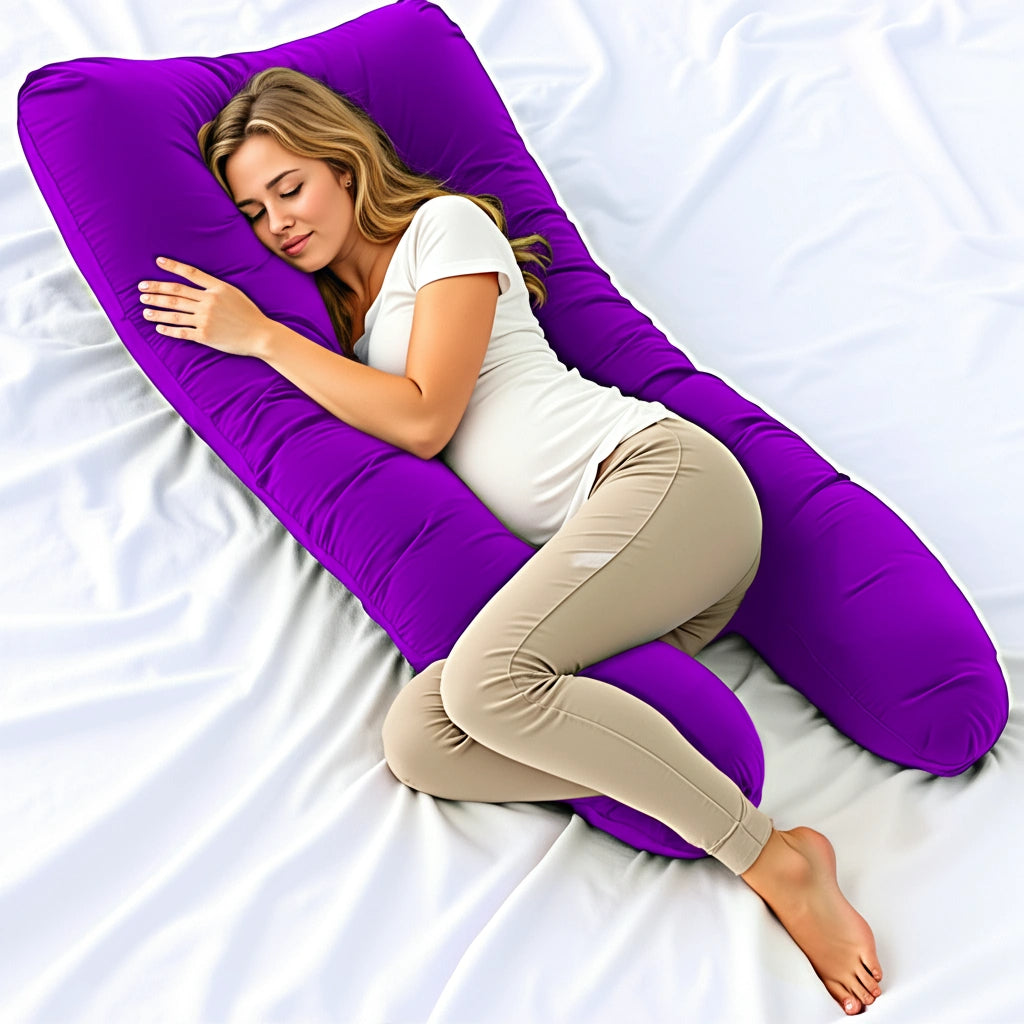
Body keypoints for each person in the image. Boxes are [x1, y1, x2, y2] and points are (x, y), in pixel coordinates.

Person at [136, 67, 882, 1016]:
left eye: (291, 188)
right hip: (606, 574)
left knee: (488, 683)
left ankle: (777, 860)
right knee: (422, 739)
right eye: (253, 211)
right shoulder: (341, 326)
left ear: (344, 166)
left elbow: (425, 420)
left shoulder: (441, 230)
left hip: (660, 484)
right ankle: (686, 793)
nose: (278, 222)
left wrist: (263, 341)